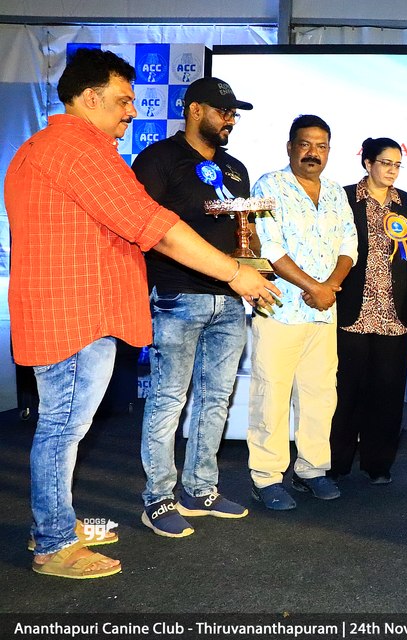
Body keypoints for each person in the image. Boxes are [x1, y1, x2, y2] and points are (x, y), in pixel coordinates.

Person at [5, 48, 279, 578]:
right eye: (123, 100)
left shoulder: (44, 147)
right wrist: (235, 272)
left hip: (68, 311)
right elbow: (157, 227)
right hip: (76, 315)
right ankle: (55, 544)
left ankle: (54, 523)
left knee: (62, 427)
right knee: (62, 429)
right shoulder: (79, 150)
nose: (132, 110)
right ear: (90, 99)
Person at [134, 77, 257, 538]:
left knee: (215, 400)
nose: (230, 121)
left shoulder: (236, 169)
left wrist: (255, 264)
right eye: (224, 112)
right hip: (177, 296)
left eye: (234, 114)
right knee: (168, 399)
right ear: (194, 110)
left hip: (230, 299)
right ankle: (157, 498)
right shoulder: (158, 160)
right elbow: (146, 230)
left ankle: (200, 489)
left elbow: (245, 232)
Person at [247, 115, 358, 510]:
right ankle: (266, 477)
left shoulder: (335, 192)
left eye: (321, 146)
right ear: (290, 147)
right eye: (306, 144)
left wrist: (329, 287)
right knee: (271, 396)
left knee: (319, 395)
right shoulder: (269, 185)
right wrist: (314, 287)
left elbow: (349, 243)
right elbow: (269, 246)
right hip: (279, 308)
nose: (314, 153)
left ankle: (311, 469)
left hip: (323, 312)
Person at [329, 137, 407, 485]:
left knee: (387, 393)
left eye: (397, 164)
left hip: (394, 313)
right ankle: (336, 462)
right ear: (368, 163)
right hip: (352, 311)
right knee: (345, 392)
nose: (392, 170)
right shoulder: (343, 197)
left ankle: (378, 463)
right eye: (386, 163)